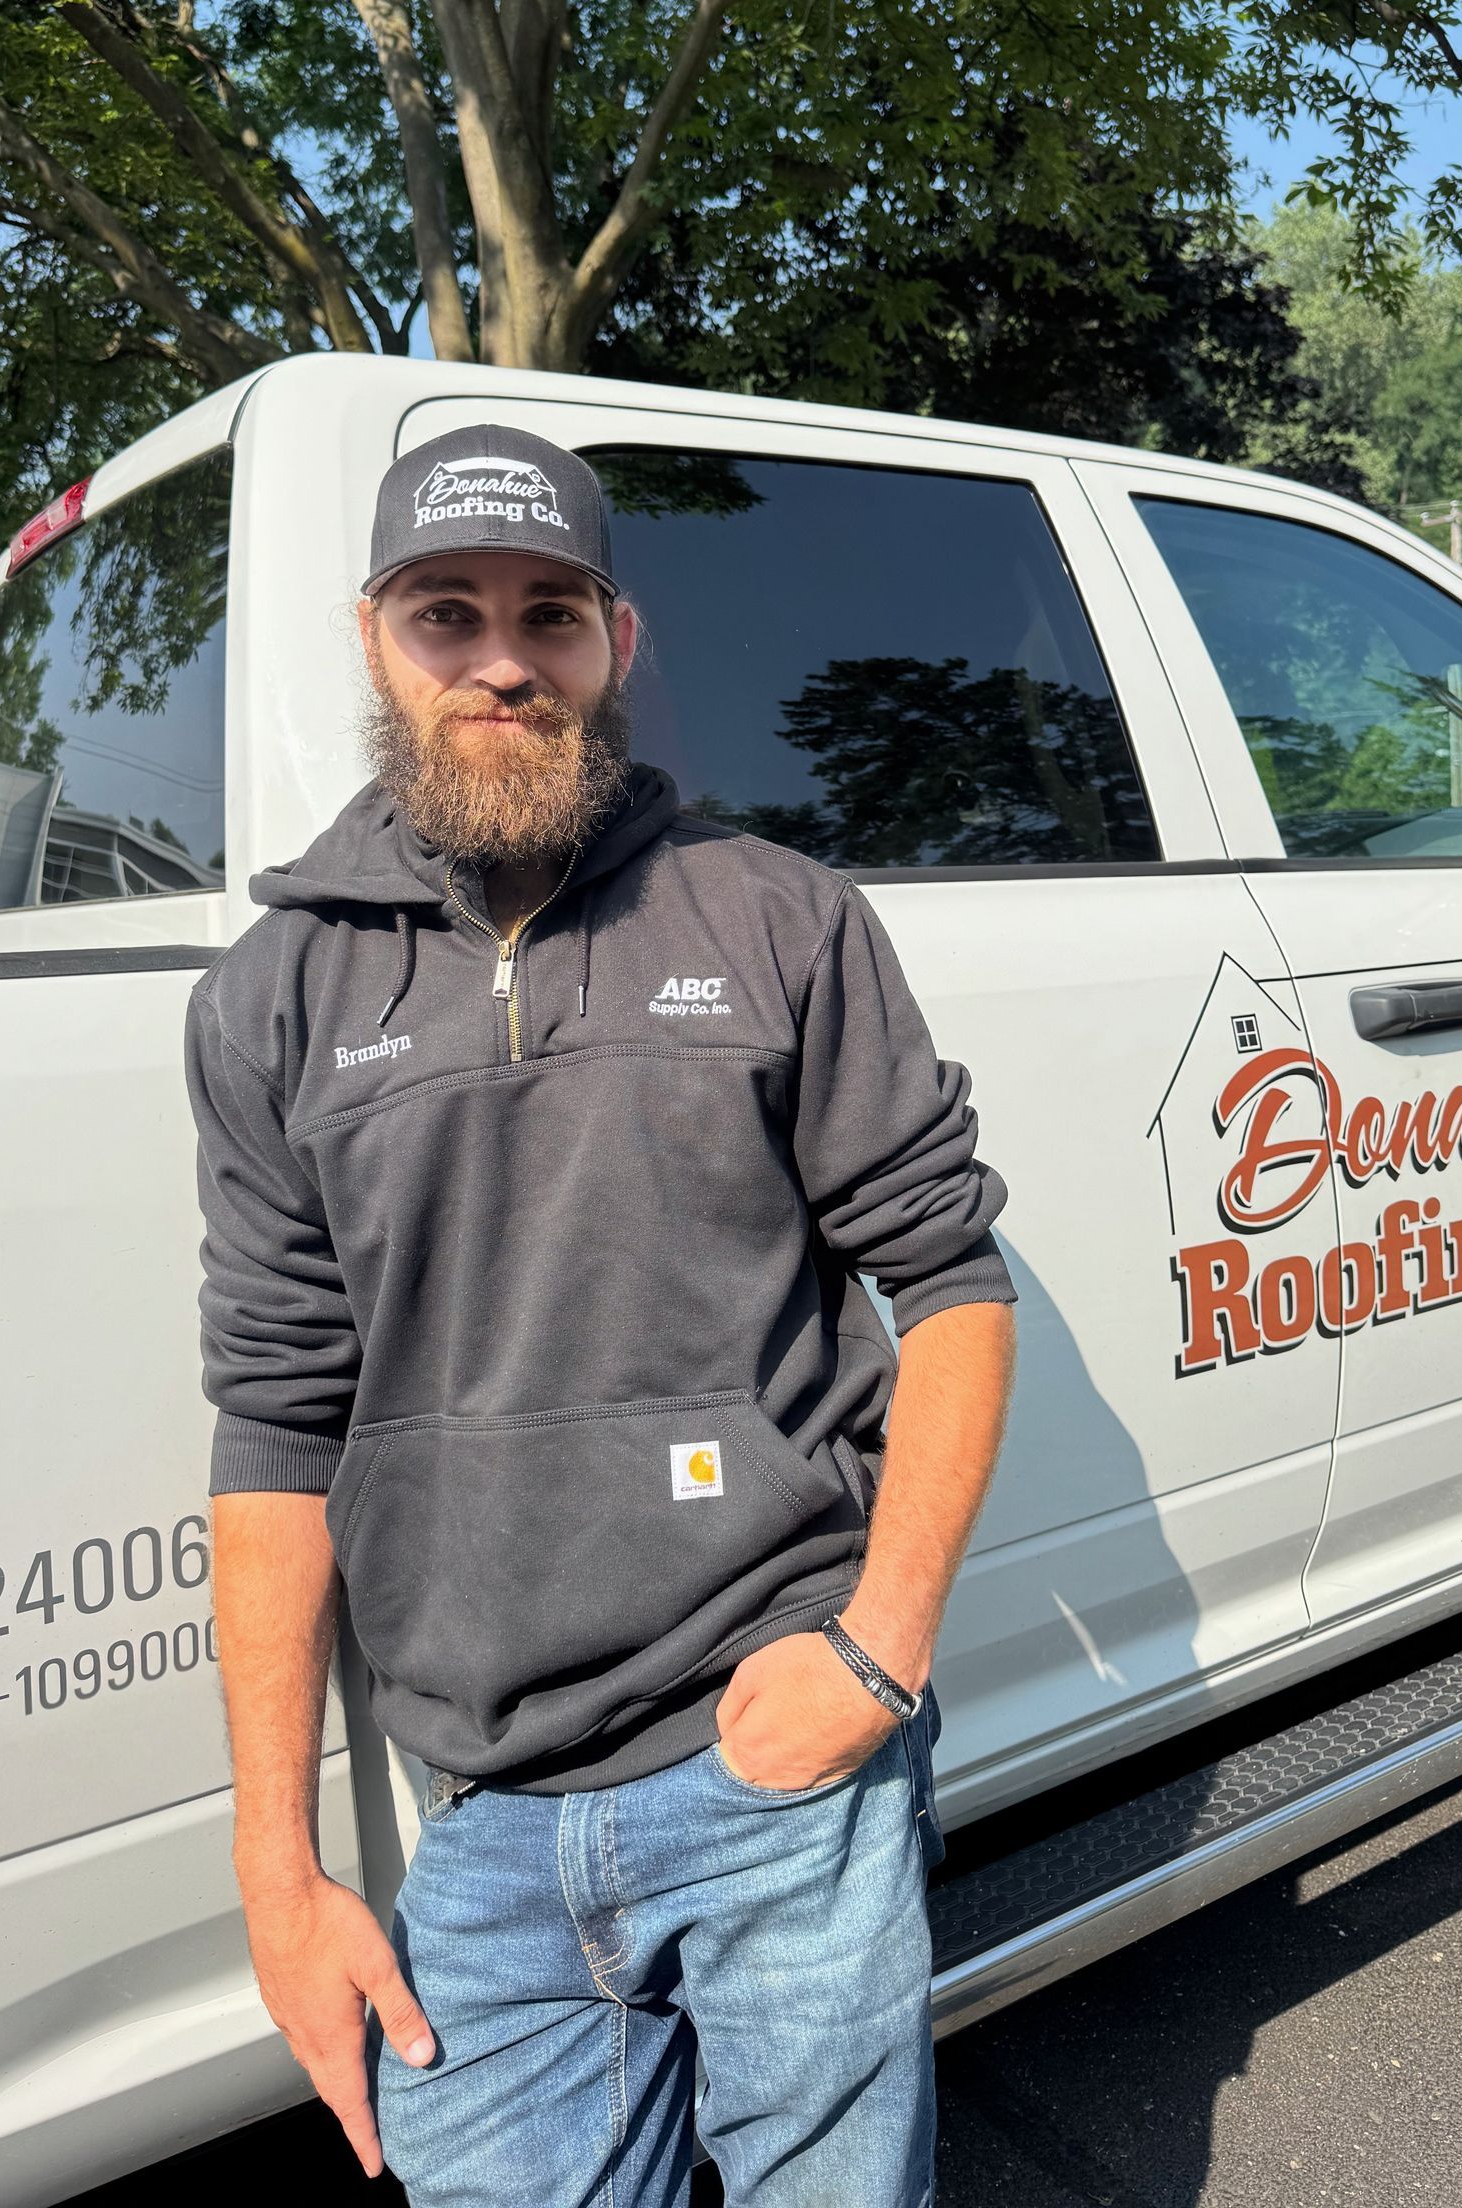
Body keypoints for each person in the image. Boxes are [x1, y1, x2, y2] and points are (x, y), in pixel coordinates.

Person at [186, 424, 1018, 2208]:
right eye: (449, 614)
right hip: (478, 1821)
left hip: (777, 1757)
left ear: (615, 645)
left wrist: (878, 1654)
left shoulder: (778, 916)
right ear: (374, 638)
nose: (502, 658)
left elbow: (948, 1283)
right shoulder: (270, 997)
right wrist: (282, 1869)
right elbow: (274, 1424)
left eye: (550, 613)